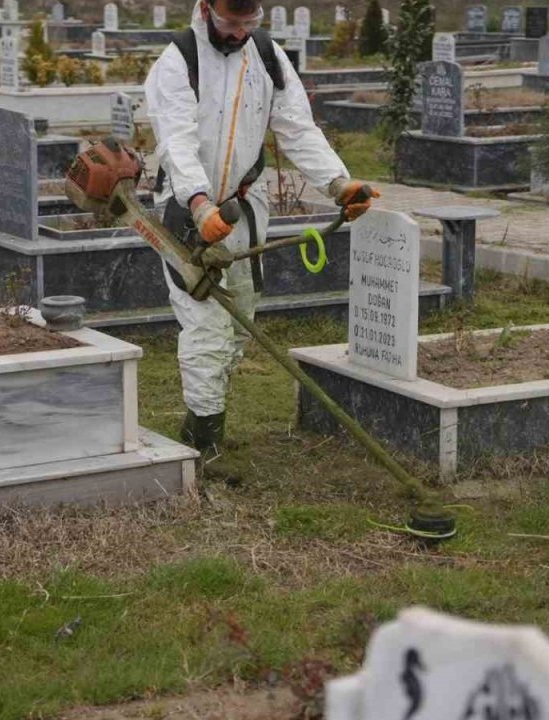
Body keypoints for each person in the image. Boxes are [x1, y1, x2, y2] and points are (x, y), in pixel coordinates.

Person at [145, 0, 378, 461]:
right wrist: (198, 203)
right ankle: (203, 438)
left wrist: (338, 183)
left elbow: (297, 128)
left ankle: (210, 405)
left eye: (249, 23)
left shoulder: (267, 56)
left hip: (245, 204)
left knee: (241, 319)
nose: (239, 33)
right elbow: (176, 141)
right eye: (230, 23)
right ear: (206, 8)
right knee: (206, 323)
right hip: (186, 208)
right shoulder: (179, 60)